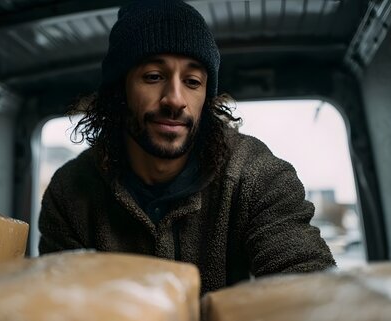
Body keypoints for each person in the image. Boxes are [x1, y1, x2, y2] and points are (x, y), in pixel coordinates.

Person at [38, 0, 336, 294]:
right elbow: (61, 310)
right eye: (153, 77)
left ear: (207, 97)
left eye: (192, 81)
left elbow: (312, 294)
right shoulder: (70, 192)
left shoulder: (257, 177)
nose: (175, 99)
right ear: (121, 89)